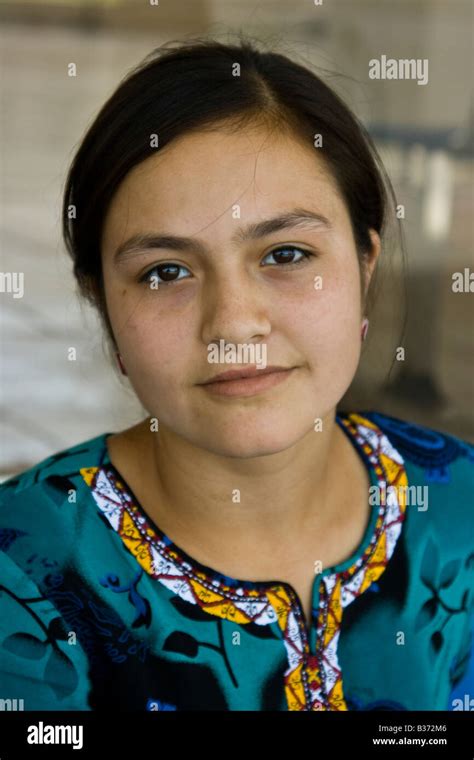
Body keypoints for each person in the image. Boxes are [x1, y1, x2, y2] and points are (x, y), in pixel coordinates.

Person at [0, 35, 472, 712]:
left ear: (365, 265)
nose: (233, 323)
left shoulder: (461, 511)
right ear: (103, 304)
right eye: (165, 272)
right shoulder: (24, 573)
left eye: (285, 253)